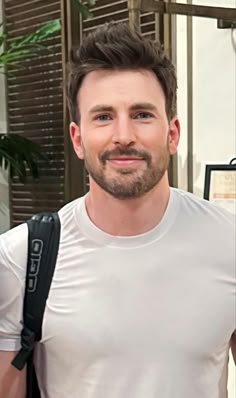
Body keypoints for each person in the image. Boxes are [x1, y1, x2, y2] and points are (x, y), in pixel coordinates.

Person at [0, 22, 235, 398]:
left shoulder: (229, 241)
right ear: (78, 139)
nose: (123, 135)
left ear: (172, 133)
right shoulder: (21, 258)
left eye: (142, 114)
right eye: (103, 116)